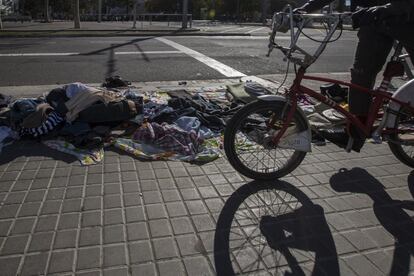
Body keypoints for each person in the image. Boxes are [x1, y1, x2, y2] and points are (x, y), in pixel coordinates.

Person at [295, 0, 414, 151]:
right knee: (360, 76)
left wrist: (387, 8)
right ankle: (355, 133)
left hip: (407, 18)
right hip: (373, 21)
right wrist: (305, 9)